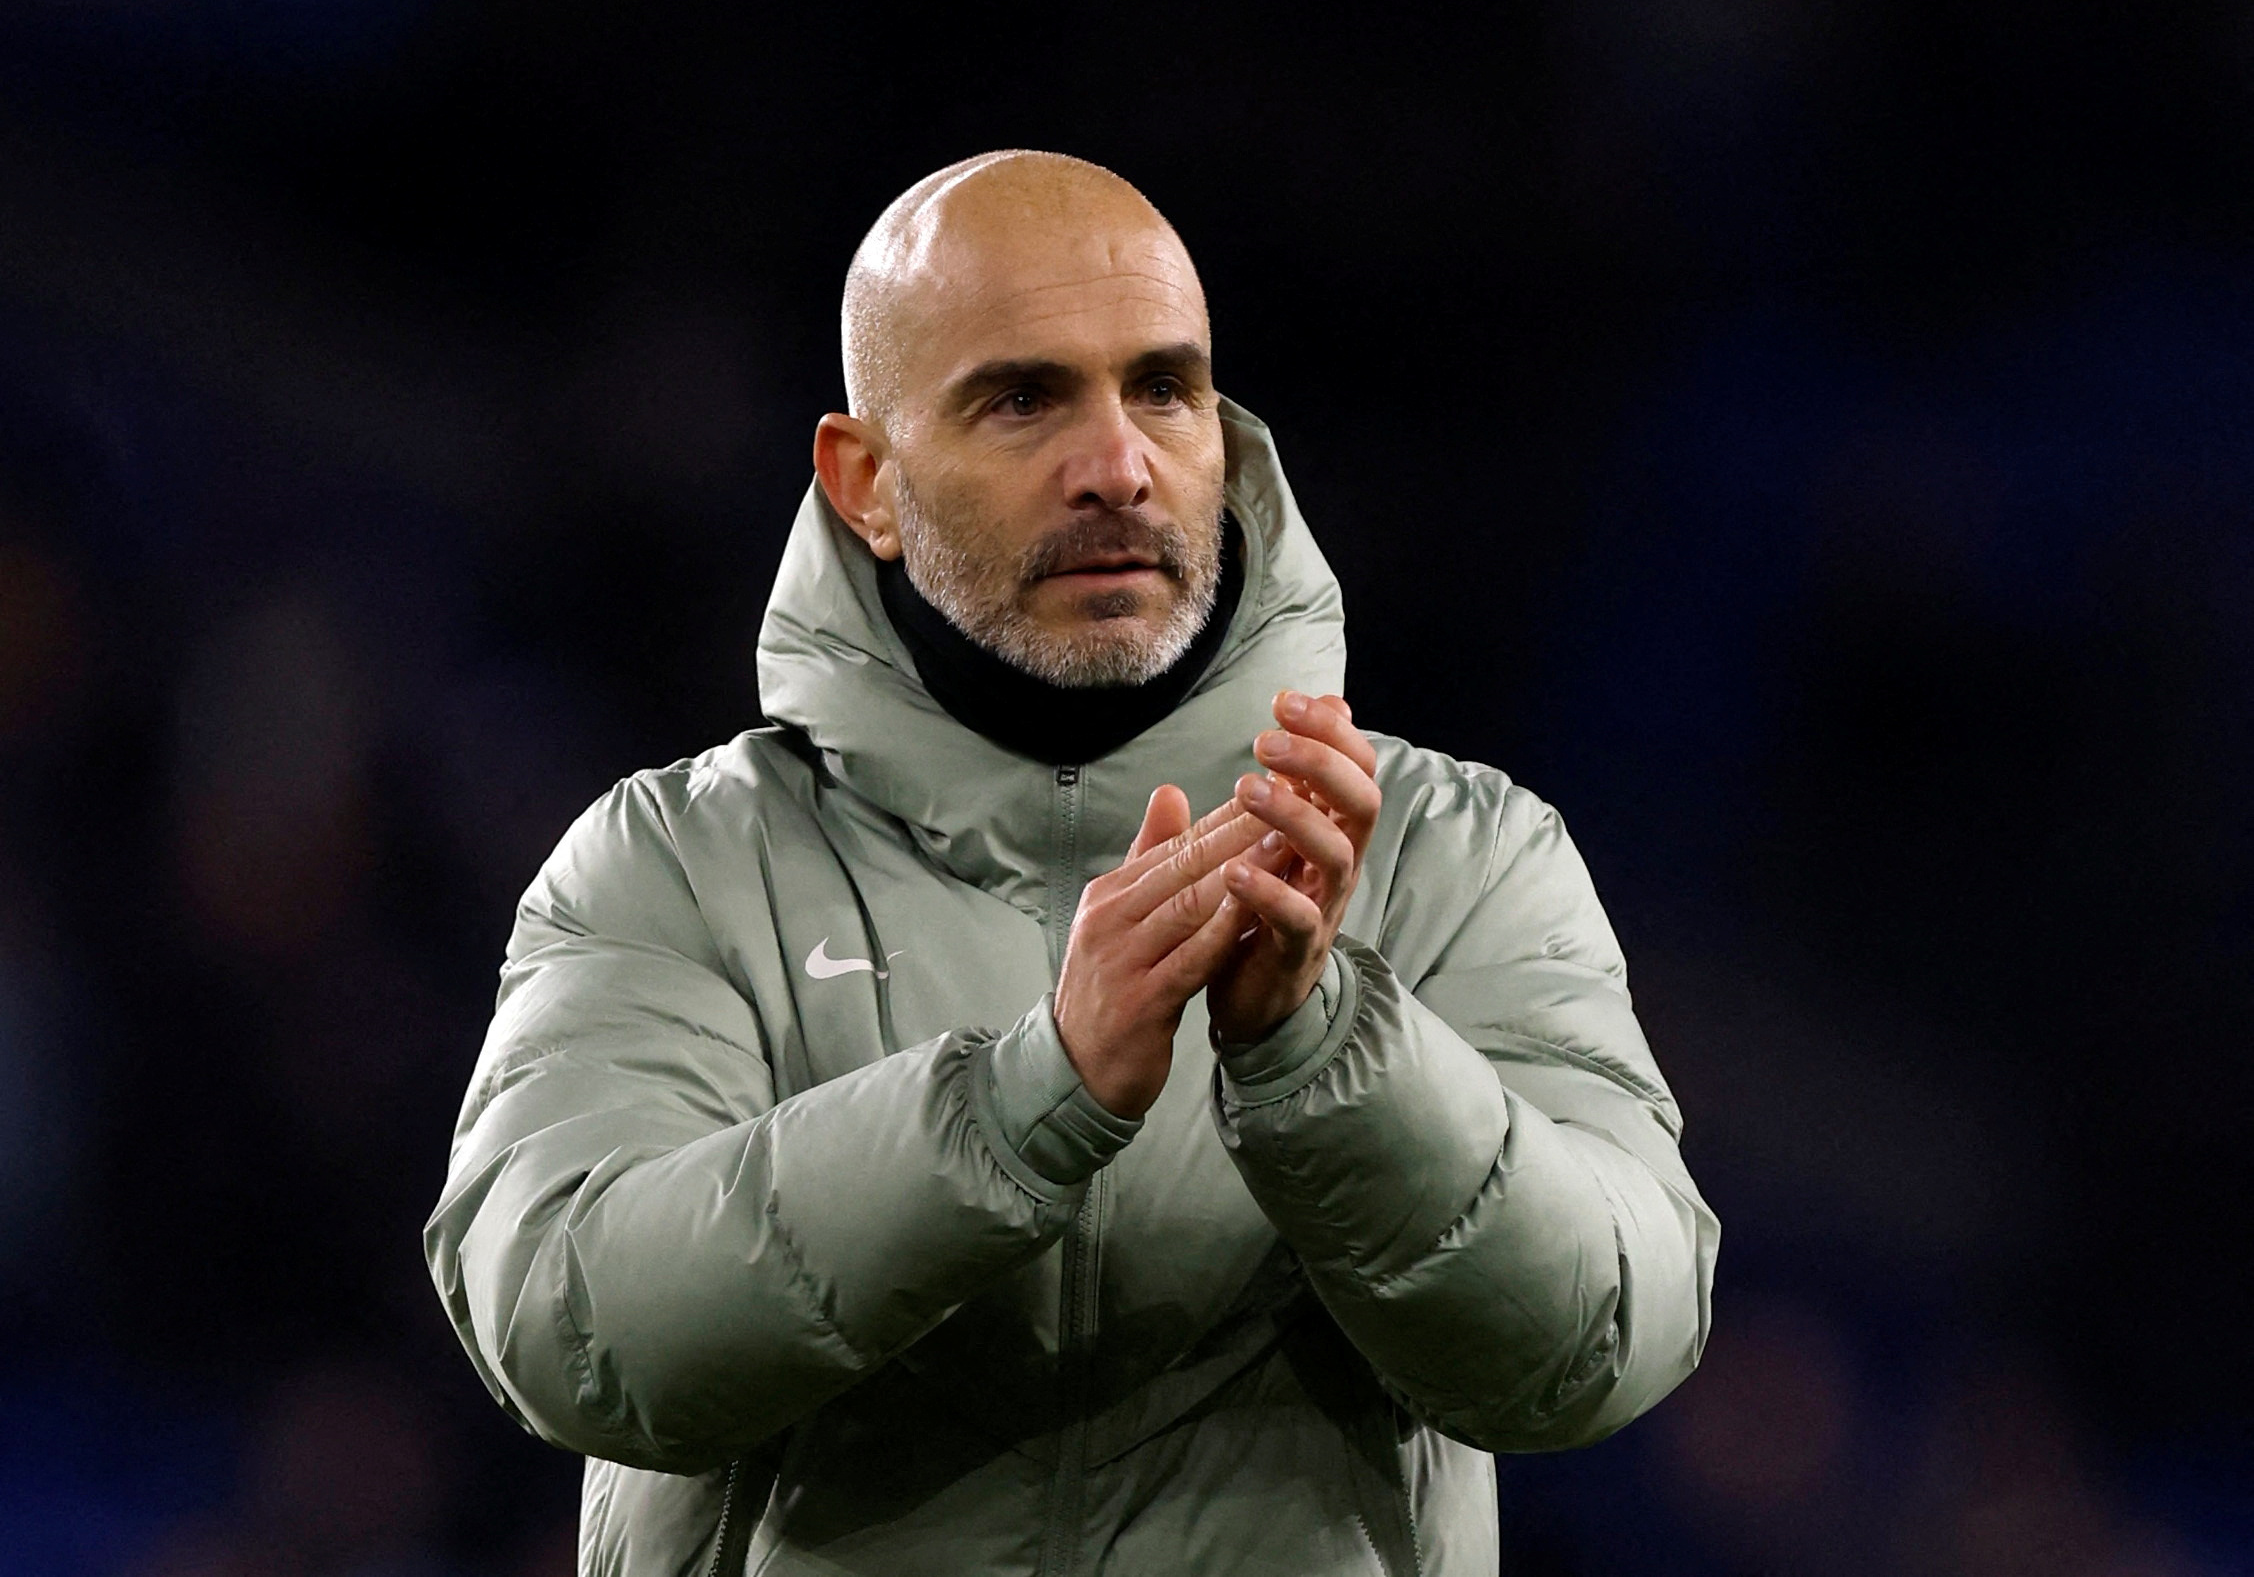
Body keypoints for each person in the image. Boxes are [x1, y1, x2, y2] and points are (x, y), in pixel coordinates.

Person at [425, 150, 1719, 1577]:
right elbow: (569, 1326)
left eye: (1163, 388)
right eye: (1022, 398)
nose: (1116, 466)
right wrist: (1022, 1101)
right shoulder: (677, 866)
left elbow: (1601, 1344)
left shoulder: (1458, 856)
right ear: (866, 481)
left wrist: (1323, 1047)